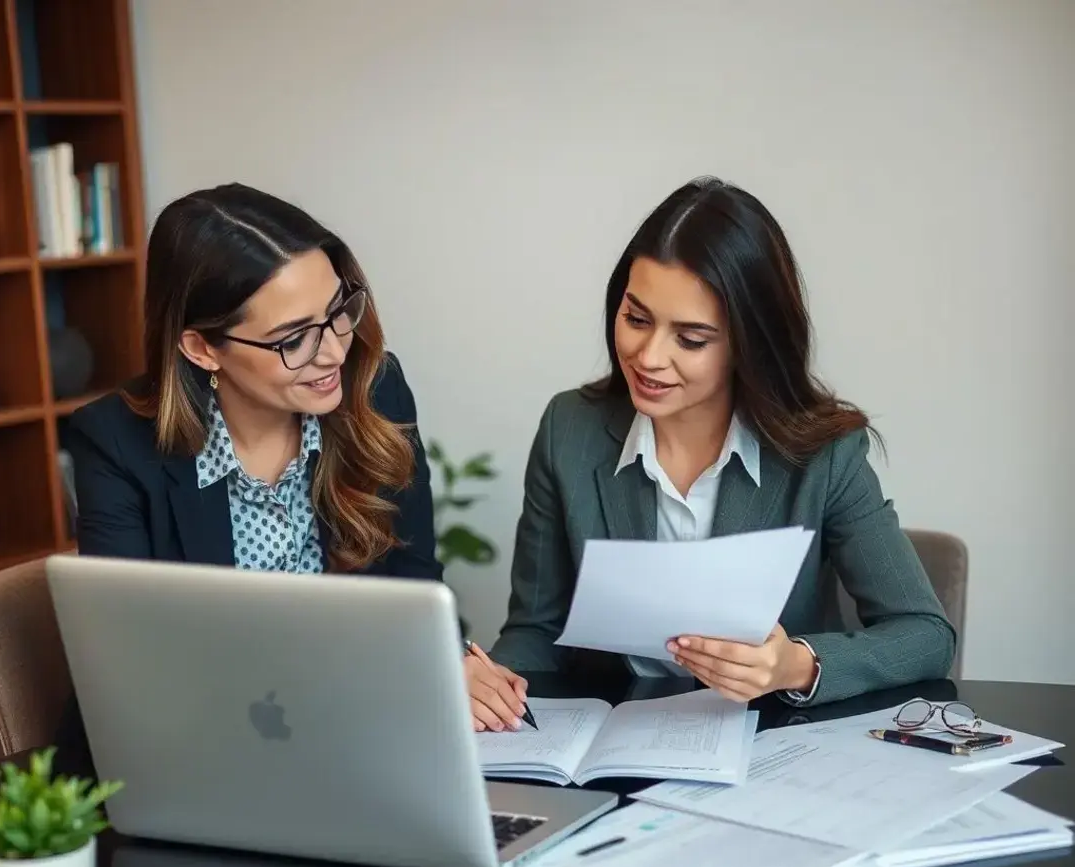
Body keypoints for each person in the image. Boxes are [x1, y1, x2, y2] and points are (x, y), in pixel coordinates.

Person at [470, 177, 954, 731]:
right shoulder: (570, 429)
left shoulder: (825, 454)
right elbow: (536, 627)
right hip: (612, 743)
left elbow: (924, 634)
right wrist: (493, 683)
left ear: (750, 342)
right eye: (636, 318)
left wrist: (792, 664)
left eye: (692, 339)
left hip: (770, 745)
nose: (648, 357)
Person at [65, 183, 441, 581]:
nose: (334, 353)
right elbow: (124, 630)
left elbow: (415, 580)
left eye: (338, 312)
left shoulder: (376, 387)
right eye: (294, 339)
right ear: (202, 348)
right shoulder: (115, 442)